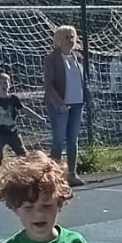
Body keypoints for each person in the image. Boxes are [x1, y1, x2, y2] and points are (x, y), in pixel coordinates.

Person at [42, 25, 87, 186]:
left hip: (77, 103)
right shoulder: (51, 59)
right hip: (60, 105)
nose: (70, 40)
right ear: (59, 40)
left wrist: (88, 98)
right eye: (66, 37)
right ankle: (54, 176)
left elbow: (84, 81)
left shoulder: (78, 57)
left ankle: (72, 174)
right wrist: (59, 103)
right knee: (59, 140)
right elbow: (48, 84)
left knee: (73, 140)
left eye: (72, 37)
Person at [0, 71, 25, 171]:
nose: (3, 85)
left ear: (9, 85)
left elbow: (24, 109)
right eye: (0, 83)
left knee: (22, 153)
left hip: (13, 132)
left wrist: (37, 117)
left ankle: (26, 170)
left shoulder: (13, 99)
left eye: (5, 82)